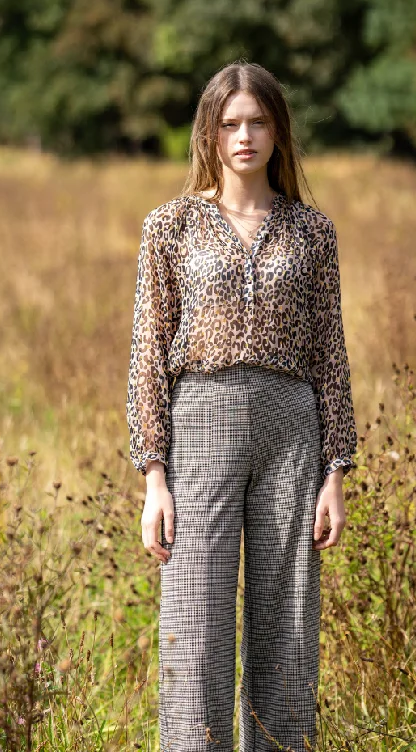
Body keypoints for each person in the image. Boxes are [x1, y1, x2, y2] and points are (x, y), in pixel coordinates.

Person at [126, 60, 358, 752]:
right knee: (194, 625)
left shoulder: (311, 233)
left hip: (292, 427)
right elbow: (146, 350)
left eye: (258, 121)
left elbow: (329, 354)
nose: (244, 136)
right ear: (209, 134)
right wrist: (153, 475)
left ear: (278, 131)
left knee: (285, 626)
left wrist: (335, 472)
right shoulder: (169, 226)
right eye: (230, 124)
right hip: (199, 422)